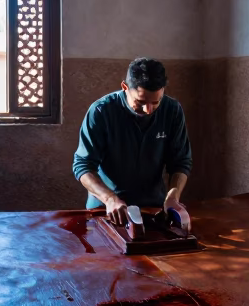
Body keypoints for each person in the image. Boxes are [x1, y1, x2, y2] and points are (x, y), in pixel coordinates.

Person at [72, 57, 193, 225]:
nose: (148, 110)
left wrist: (173, 197)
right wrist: (109, 199)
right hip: (106, 210)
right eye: (141, 102)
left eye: (156, 102)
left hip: (153, 208)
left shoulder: (173, 111)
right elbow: (83, 166)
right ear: (125, 87)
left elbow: (180, 162)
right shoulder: (101, 111)